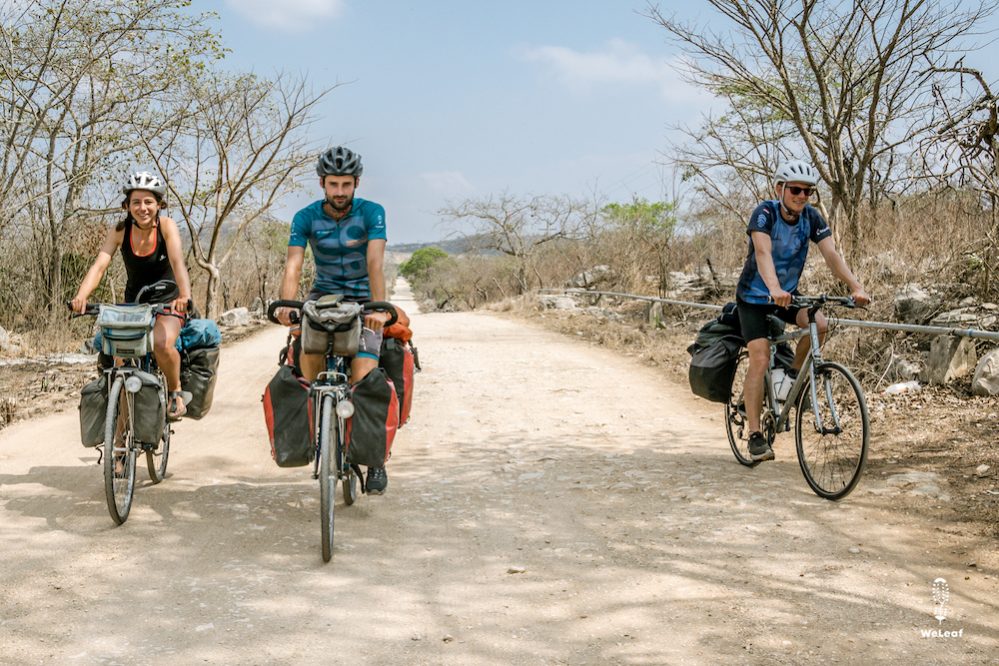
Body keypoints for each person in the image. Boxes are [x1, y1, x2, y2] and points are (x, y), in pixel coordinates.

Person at [274, 146, 392, 494]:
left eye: (345, 185)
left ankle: (374, 461)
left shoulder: (372, 212)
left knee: (364, 376)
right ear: (322, 183)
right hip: (322, 298)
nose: (339, 192)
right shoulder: (305, 217)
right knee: (305, 364)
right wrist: (288, 305)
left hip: (363, 299)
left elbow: (375, 263)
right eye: (332, 185)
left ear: (356, 183)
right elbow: (293, 265)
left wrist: (379, 309)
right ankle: (317, 427)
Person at [735, 159, 870, 462]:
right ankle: (755, 435)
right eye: (795, 189)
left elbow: (831, 254)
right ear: (779, 188)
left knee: (820, 324)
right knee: (760, 357)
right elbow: (762, 252)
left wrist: (856, 287)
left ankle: (793, 379)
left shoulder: (811, 217)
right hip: (755, 298)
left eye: (807, 191)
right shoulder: (765, 213)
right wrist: (772, 288)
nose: (801, 196)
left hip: (786, 296)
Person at [71, 171, 193, 420]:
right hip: (134, 303)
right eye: (136, 202)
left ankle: (175, 392)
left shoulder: (167, 227)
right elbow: (99, 266)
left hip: (168, 302)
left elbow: (178, 263)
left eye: (149, 202)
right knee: (120, 365)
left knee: (161, 343)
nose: (142, 208)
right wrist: (81, 296)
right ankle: (118, 445)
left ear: (159, 205)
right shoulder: (120, 230)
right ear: (127, 206)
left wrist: (184, 296)